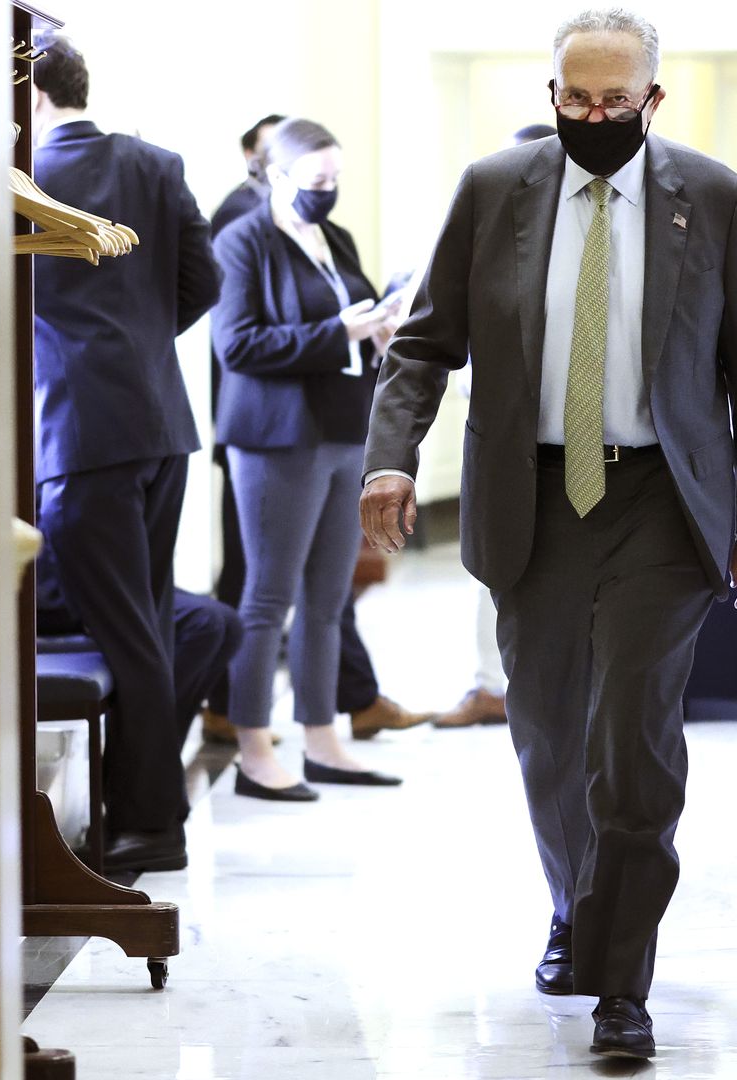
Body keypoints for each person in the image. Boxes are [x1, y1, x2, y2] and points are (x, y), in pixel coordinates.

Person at [361, 9, 737, 1060]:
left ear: (654, 98)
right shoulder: (494, 189)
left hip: (660, 499)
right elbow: (424, 342)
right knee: (549, 734)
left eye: (614, 101)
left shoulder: (716, 199)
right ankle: (576, 904)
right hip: (536, 499)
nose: (592, 117)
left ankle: (620, 980)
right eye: (574, 99)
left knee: (632, 739)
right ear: (550, 92)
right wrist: (391, 453)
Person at [29, 36, 222, 873]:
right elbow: (201, 284)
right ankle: (144, 811)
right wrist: (138, 341)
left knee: (129, 633)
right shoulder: (156, 161)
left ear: (28, 97)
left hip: (78, 430)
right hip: (158, 423)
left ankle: (152, 822)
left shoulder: (22, 177)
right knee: (143, 621)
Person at [206, 116, 435, 750]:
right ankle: (252, 746)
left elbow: (353, 318)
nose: (328, 189)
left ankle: (321, 739)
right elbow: (238, 345)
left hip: (341, 430)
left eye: (336, 178)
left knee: (329, 600)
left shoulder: (333, 236)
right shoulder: (241, 241)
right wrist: (343, 333)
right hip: (276, 439)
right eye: (316, 179)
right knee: (267, 598)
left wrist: (382, 327)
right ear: (276, 175)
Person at [433, 120, 560, 732]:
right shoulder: (483, 232)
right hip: (504, 443)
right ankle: (490, 686)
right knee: (494, 572)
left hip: (593, 447)